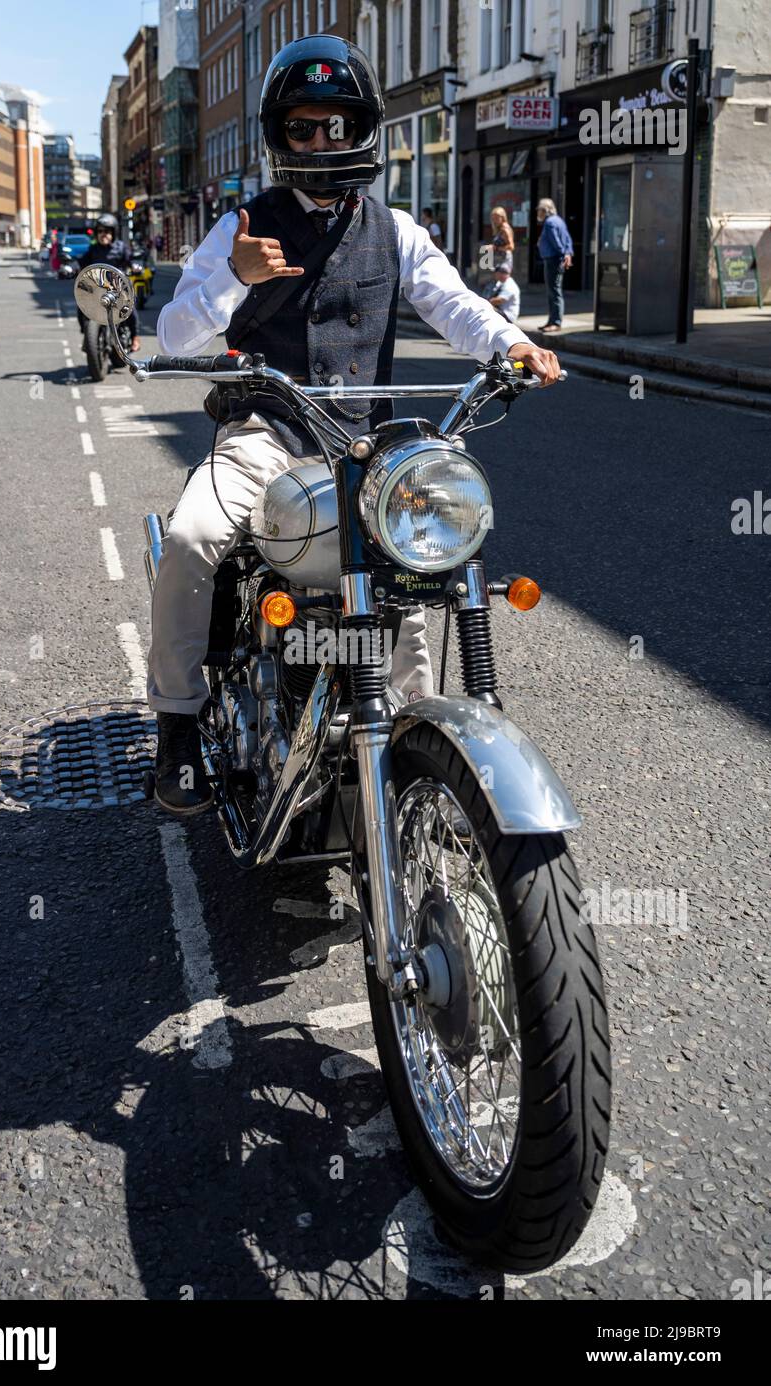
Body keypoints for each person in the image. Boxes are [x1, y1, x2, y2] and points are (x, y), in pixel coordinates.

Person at [147, 34, 561, 815]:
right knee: (191, 537)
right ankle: (176, 723)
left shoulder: (395, 228)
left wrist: (510, 341)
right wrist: (232, 280)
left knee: (412, 576)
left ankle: (416, 742)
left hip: (365, 447)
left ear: (362, 128)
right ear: (280, 136)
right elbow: (176, 337)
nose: (321, 140)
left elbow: (452, 303)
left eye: (336, 124)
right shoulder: (242, 224)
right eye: (302, 127)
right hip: (266, 437)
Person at [76, 214, 141, 352]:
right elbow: (81, 263)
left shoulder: (121, 247)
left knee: (131, 309)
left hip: (118, 288)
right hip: (97, 289)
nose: (103, 234)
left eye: (106, 231)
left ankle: (135, 336)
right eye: (100, 231)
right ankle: (88, 336)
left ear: (113, 232)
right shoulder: (93, 250)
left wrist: (135, 265)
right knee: (81, 306)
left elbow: (130, 260)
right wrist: (71, 268)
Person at [536, 197, 574, 333]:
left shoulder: (550, 223)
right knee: (554, 291)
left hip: (553, 260)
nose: (538, 212)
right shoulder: (559, 221)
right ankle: (552, 320)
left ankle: (555, 322)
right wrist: (568, 253)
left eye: (539, 210)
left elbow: (556, 242)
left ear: (545, 210)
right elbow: (568, 239)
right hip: (557, 259)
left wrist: (564, 254)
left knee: (554, 291)